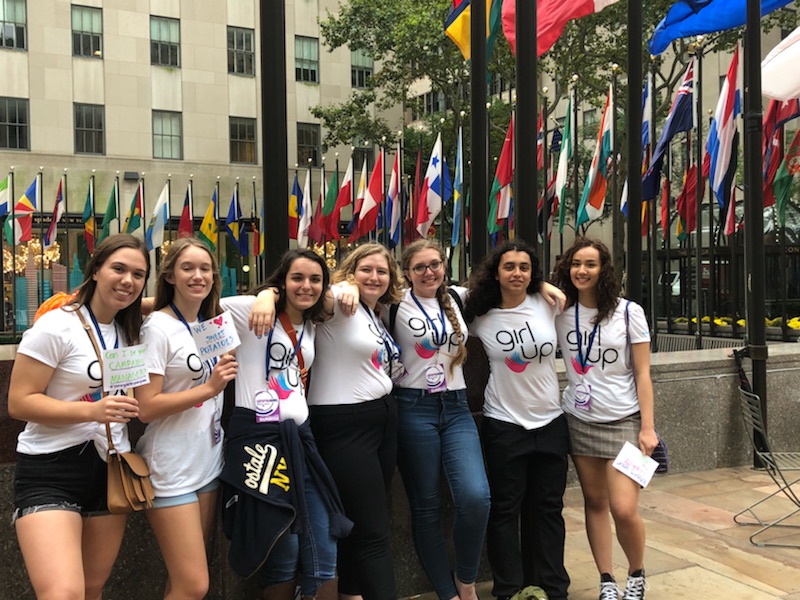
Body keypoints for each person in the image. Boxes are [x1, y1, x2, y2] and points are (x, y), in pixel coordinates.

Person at [8, 234, 150, 600]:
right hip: (50, 469)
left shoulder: (129, 331)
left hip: (112, 469)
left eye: (138, 274)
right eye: (118, 269)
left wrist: (266, 295)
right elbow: (19, 402)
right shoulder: (56, 326)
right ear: (96, 270)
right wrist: (91, 410)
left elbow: (180, 301)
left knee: (91, 589)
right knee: (63, 592)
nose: (128, 281)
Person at [221, 248, 352, 600]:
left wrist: (345, 286)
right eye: (296, 278)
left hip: (301, 440)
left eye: (315, 279)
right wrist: (264, 295)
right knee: (281, 546)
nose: (306, 286)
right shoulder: (249, 311)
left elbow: (352, 288)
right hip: (259, 442)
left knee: (323, 542)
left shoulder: (310, 323)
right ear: (282, 280)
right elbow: (189, 300)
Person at [463, 239, 570, 600]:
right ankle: (508, 588)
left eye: (525, 268)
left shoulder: (547, 303)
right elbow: (439, 291)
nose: (517, 273)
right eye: (509, 267)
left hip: (551, 421)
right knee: (505, 509)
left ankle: (554, 586)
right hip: (504, 423)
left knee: (549, 509)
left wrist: (543, 285)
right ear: (496, 272)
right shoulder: (480, 312)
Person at [551, 238, 657, 600]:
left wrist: (648, 427)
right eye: (576, 263)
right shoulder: (561, 312)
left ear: (604, 269)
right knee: (594, 503)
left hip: (624, 420)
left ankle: (636, 572)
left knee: (624, 508)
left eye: (591, 264)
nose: (582, 270)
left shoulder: (629, 312)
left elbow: (643, 374)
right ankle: (607, 580)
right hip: (579, 419)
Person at [135, 237, 238, 599]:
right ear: (169, 276)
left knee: (184, 581)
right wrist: (208, 389)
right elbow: (145, 406)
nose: (198, 276)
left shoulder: (211, 323)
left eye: (205, 269)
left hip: (207, 462)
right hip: (170, 467)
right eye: (187, 268)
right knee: (195, 584)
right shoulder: (156, 329)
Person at [389, 239, 490, 600]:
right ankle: (448, 593)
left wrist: (542, 284)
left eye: (435, 264)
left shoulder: (457, 299)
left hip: (457, 407)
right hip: (414, 408)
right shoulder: (394, 303)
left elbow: (505, 282)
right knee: (427, 505)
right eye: (420, 267)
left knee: (476, 498)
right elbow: (342, 288)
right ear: (406, 273)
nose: (429, 272)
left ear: (444, 266)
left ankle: (466, 579)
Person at [306, 242, 403, 600]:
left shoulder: (372, 311)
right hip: (345, 424)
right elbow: (295, 291)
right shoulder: (337, 302)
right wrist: (339, 286)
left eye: (382, 271)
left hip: (380, 419)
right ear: (350, 271)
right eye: (366, 270)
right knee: (374, 532)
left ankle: (351, 594)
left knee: (360, 521)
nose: (374, 277)